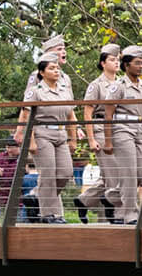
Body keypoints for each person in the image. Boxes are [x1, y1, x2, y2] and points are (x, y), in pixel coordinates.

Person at [16, 51, 79, 224]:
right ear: (42, 73)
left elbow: (71, 116)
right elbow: (26, 117)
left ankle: (38, 196)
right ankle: (50, 214)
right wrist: (31, 141)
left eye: (57, 68)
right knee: (48, 174)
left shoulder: (65, 91)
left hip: (61, 133)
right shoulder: (35, 92)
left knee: (66, 173)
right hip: (42, 133)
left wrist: (73, 139)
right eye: (52, 68)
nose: (56, 71)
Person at [102, 46, 142, 225]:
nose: (141, 66)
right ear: (127, 65)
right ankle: (130, 213)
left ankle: (110, 197)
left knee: (141, 173)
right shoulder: (118, 86)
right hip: (122, 129)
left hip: (140, 129)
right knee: (129, 173)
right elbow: (108, 114)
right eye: (137, 63)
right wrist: (108, 141)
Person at [79, 43, 122, 223]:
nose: (116, 63)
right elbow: (88, 111)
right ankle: (115, 216)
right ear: (103, 63)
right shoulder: (96, 85)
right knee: (113, 174)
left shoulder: (122, 82)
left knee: (113, 175)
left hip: (119, 128)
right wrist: (91, 139)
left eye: (118, 59)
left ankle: (85, 200)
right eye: (112, 60)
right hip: (100, 127)